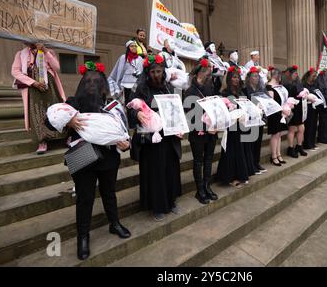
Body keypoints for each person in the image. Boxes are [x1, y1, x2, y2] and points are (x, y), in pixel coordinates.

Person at [47, 62, 131, 261]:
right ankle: (82, 237)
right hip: (83, 158)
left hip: (109, 157)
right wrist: (68, 120)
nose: (92, 84)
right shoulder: (73, 103)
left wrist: (126, 143)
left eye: (96, 81)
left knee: (109, 193)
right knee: (85, 198)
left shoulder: (111, 105)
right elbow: (49, 122)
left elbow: (124, 130)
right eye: (88, 81)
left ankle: (114, 224)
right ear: (82, 83)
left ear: (103, 85)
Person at [128, 54, 183, 222]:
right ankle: (157, 206)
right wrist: (137, 114)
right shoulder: (141, 89)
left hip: (168, 137)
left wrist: (179, 127)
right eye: (153, 72)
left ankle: (170, 201)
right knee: (155, 172)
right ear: (147, 72)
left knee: (170, 170)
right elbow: (130, 107)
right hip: (151, 139)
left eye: (159, 71)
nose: (156, 75)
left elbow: (176, 109)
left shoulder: (168, 87)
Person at [11, 43, 66, 155]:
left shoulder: (49, 52)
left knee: (56, 109)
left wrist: (45, 51)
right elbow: (15, 71)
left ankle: (65, 135)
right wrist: (33, 83)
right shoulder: (20, 54)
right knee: (36, 112)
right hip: (33, 87)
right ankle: (42, 141)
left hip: (49, 85)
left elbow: (57, 68)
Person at [184, 57, 219, 205]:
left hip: (211, 132)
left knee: (209, 159)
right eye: (208, 72)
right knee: (198, 162)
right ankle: (200, 190)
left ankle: (207, 185)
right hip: (197, 134)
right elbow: (190, 118)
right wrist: (206, 128)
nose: (210, 75)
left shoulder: (210, 88)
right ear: (200, 73)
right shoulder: (190, 91)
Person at [217, 67, 250, 188]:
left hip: (240, 124)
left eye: (237, 77)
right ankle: (229, 176)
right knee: (230, 150)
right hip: (230, 125)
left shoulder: (241, 92)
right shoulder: (224, 93)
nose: (236, 79)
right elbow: (222, 111)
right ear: (229, 78)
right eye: (234, 77)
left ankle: (239, 174)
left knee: (240, 149)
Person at [243, 67, 268, 174]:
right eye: (254, 76)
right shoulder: (245, 90)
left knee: (258, 142)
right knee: (251, 143)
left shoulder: (261, 90)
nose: (256, 78)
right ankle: (251, 164)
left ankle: (256, 162)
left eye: (257, 76)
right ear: (249, 78)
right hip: (250, 120)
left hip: (259, 120)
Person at [282, 65, 308, 159]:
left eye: (297, 73)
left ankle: (299, 146)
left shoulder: (299, 83)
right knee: (292, 129)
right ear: (289, 74)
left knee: (301, 128)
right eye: (294, 73)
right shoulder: (285, 84)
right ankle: (290, 148)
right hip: (291, 108)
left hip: (300, 108)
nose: (296, 74)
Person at [108, 40, 144, 105]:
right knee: (128, 102)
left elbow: (142, 71)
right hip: (127, 85)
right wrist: (119, 83)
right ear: (128, 48)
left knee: (137, 102)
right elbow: (120, 70)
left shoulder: (140, 58)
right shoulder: (123, 57)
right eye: (132, 46)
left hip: (137, 84)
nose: (134, 48)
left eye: (135, 46)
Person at [265, 67, 288, 166]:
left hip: (280, 113)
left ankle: (278, 154)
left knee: (279, 135)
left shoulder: (279, 86)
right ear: (276, 75)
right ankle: (273, 156)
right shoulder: (269, 86)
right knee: (275, 135)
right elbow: (271, 102)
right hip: (274, 113)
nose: (281, 77)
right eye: (280, 75)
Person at [302, 68, 319, 151]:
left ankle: (312, 143)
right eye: (313, 76)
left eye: (315, 76)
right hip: (307, 107)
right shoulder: (304, 85)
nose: (314, 78)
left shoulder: (314, 85)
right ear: (308, 76)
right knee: (308, 126)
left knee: (314, 126)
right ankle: (307, 144)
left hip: (314, 107)